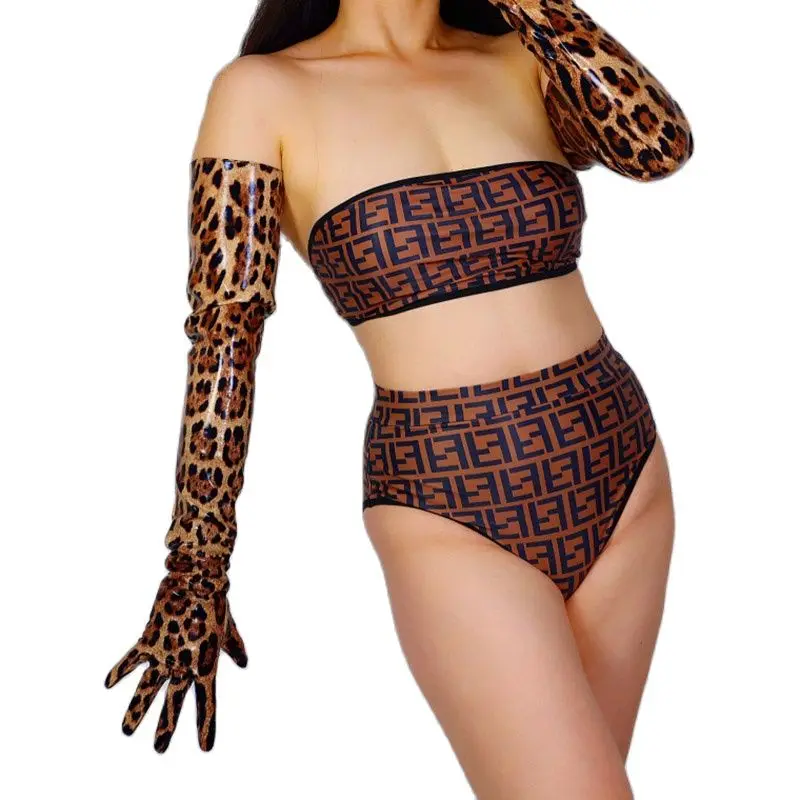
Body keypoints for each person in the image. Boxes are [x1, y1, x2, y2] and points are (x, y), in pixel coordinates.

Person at [105, 0, 693, 795]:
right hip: (448, 502)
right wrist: (195, 569)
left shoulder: (520, 58)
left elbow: (659, 147)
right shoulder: (261, 93)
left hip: (624, 473)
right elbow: (224, 337)